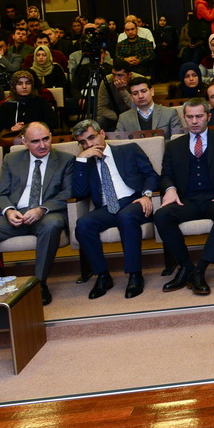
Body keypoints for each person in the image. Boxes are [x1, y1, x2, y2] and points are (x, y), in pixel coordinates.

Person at [154, 98, 214, 296]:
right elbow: (165, 175)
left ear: (208, 117)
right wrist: (170, 189)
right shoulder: (174, 146)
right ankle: (186, 266)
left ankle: (200, 269)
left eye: (199, 116)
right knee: (161, 215)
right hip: (186, 200)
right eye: (190, 117)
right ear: (184, 118)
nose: (194, 121)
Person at [0, 122, 74, 305]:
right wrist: (9, 211)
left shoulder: (66, 160)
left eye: (46, 139)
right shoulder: (12, 160)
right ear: (24, 142)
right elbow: (0, 195)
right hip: (16, 214)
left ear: (51, 136)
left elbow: (68, 193)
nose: (42, 145)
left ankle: (40, 284)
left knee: (52, 225)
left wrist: (41, 209)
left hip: (47, 213)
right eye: (35, 141)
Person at [70, 119, 159, 300]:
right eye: (83, 142)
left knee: (126, 217)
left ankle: (134, 275)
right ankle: (103, 276)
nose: (89, 144)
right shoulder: (84, 162)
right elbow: (79, 192)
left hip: (134, 201)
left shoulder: (128, 150)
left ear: (102, 133)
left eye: (91, 138)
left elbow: (151, 176)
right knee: (83, 224)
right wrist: (81, 159)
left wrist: (147, 195)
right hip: (107, 207)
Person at [117, 76, 183, 138]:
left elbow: (178, 139)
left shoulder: (169, 113)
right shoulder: (124, 118)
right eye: (135, 93)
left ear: (152, 91)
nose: (140, 96)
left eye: (143, 91)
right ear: (131, 97)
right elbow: (117, 142)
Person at [0, 71, 59, 137]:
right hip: (13, 139)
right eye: (19, 84)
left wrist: (30, 127)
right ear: (14, 86)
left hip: (38, 138)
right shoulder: (6, 106)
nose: (24, 87)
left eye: (28, 83)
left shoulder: (41, 102)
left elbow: (53, 123)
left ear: (32, 85)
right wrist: (12, 129)